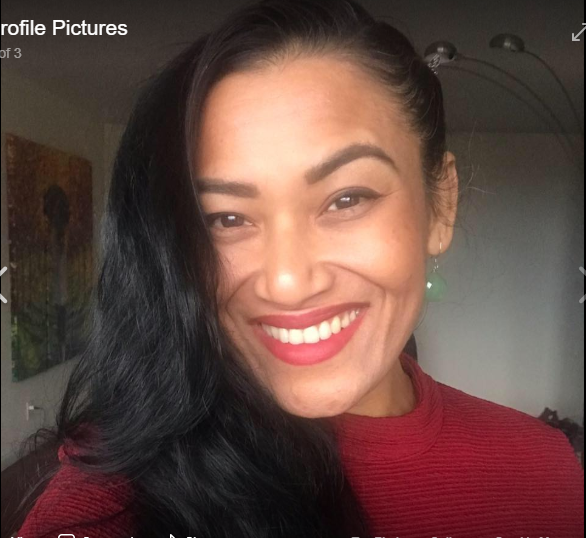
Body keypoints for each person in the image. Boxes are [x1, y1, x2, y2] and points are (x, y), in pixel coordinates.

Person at [17, 0, 584, 536]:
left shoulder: (543, 471)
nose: (287, 282)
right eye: (226, 218)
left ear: (441, 205)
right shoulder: (109, 503)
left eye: (346, 199)